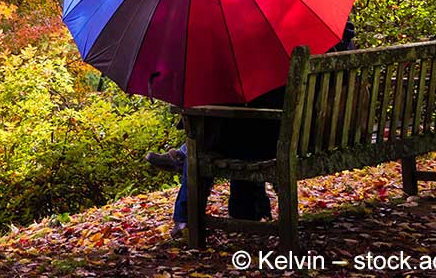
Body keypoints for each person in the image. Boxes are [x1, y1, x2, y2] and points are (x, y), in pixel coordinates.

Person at [149, 18, 356, 238]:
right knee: (231, 127)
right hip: (319, 136)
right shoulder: (333, 40)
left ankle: (185, 214)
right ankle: (246, 210)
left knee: (203, 140)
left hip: (275, 142)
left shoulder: (283, 46)